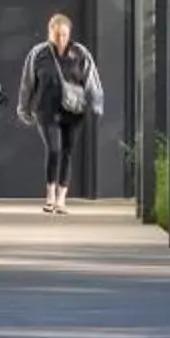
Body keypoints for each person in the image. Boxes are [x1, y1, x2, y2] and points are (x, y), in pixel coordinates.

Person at [14, 12, 104, 215]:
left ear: (69, 33)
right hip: (46, 110)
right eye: (57, 35)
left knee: (68, 151)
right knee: (54, 149)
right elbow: (27, 83)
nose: (61, 39)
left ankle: (62, 199)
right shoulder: (38, 54)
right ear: (50, 33)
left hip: (74, 111)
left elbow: (92, 80)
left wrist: (97, 104)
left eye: (64, 34)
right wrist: (24, 108)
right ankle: (50, 197)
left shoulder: (80, 53)